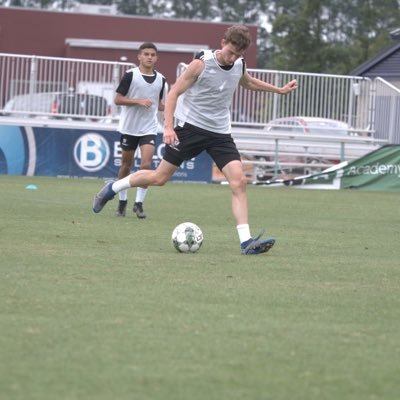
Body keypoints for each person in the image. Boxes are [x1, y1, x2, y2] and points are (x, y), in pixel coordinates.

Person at [93, 25, 298, 255]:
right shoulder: (201, 63)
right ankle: (112, 188)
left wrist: (278, 90)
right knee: (159, 178)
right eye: (230, 52)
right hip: (190, 128)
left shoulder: (239, 64)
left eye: (238, 55)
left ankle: (246, 242)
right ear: (223, 43)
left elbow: (247, 82)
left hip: (220, 133)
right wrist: (168, 127)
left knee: (239, 182)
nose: (232, 58)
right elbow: (173, 94)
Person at [114, 42, 167, 218]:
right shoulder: (130, 75)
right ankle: (122, 201)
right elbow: (118, 99)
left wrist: (172, 108)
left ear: (157, 58)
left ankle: (139, 204)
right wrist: (138, 101)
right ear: (139, 56)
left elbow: (159, 104)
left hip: (149, 128)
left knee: (146, 165)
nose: (149, 57)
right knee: (126, 165)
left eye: (152, 54)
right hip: (129, 128)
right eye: (146, 54)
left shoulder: (162, 80)